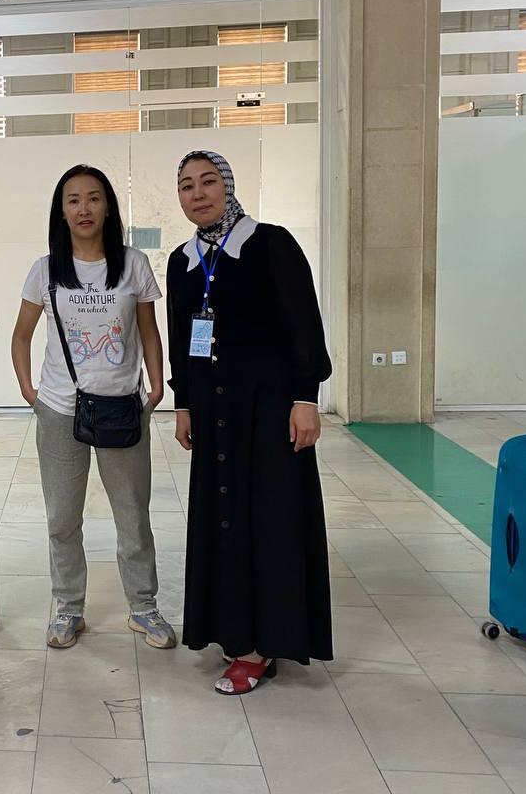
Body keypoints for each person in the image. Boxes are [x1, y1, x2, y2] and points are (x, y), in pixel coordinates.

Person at [166, 151, 333, 695]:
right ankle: (234, 631)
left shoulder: (271, 244)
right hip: (214, 412)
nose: (198, 194)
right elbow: (180, 339)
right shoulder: (182, 261)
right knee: (223, 519)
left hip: (268, 409)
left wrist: (305, 398)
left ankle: (263, 644)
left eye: (208, 182)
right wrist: (184, 403)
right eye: (186, 186)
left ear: (229, 186)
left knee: (269, 518)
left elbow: (303, 325)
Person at [11, 165, 176, 651]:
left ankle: (143, 607)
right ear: (61, 212)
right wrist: (29, 391)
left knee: (133, 515)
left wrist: (155, 387)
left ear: (108, 207)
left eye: (94, 198)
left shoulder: (133, 264)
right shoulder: (45, 270)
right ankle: (68, 609)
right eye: (73, 200)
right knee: (63, 518)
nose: (84, 208)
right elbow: (21, 336)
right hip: (60, 410)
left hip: (123, 407)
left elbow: (148, 330)